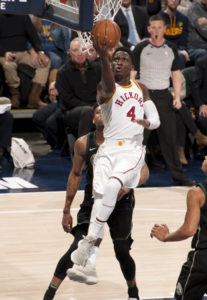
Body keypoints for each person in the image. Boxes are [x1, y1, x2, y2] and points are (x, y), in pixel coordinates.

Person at [43, 104, 149, 300]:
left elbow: (144, 171)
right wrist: (66, 210)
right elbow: (75, 175)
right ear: (93, 119)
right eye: (99, 112)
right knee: (76, 247)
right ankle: (49, 294)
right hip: (93, 202)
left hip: (121, 203)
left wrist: (128, 186)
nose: (103, 115)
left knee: (122, 251)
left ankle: (133, 291)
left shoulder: (127, 141)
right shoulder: (83, 143)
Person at [69, 42, 160, 269]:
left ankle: (89, 242)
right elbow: (109, 86)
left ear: (132, 65)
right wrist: (103, 57)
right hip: (109, 149)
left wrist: (149, 122)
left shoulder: (141, 88)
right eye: (115, 59)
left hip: (131, 149)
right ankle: (90, 263)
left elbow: (156, 120)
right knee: (100, 200)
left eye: (123, 59)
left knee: (111, 188)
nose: (118, 62)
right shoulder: (104, 87)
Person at [151, 146, 207, 300]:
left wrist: (167, 236)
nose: (205, 156)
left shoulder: (197, 193)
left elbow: (189, 230)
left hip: (204, 260)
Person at [133, 15, 195, 186]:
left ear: (165, 29)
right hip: (145, 97)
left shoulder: (171, 48)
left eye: (160, 27)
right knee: (140, 139)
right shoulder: (140, 48)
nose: (156, 31)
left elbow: (175, 74)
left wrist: (176, 97)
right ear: (148, 29)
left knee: (169, 139)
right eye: (153, 27)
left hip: (164, 96)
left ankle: (178, 175)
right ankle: (135, 176)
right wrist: (132, 98)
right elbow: (132, 75)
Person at [0, 14, 50, 108]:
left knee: (45, 63)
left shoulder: (23, 16)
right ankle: (15, 96)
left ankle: (34, 97)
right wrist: (4, 53)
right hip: (4, 55)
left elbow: (33, 35)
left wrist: (39, 52)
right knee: (9, 65)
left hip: (22, 53)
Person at [56, 38, 101, 139]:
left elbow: (103, 91)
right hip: (72, 111)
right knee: (87, 112)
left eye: (83, 50)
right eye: (76, 50)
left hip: (95, 107)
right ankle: (83, 149)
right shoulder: (63, 72)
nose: (80, 53)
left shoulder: (97, 68)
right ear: (70, 53)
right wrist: (92, 108)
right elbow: (68, 100)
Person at [158, 0, 190, 69]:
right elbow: (160, 41)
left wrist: (182, 49)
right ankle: (180, 79)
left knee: (201, 53)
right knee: (180, 56)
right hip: (165, 50)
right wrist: (177, 50)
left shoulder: (183, 18)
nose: (174, 1)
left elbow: (184, 39)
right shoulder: (159, 19)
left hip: (182, 49)